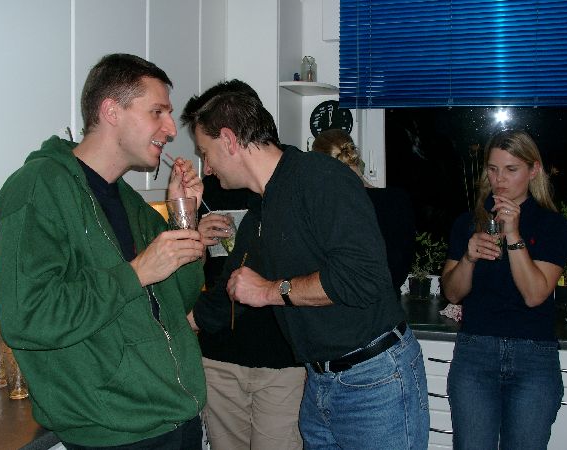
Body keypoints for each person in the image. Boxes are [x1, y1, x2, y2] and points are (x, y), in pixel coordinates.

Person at [183, 88, 429, 450]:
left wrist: (269, 291)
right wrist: (172, 329)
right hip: (319, 383)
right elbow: (225, 296)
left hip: (375, 380)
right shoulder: (263, 209)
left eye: (205, 153)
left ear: (229, 140)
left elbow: (361, 277)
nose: (206, 167)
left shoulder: (319, 177)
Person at [0, 53, 207, 449]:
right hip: (114, 433)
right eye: (157, 112)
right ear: (111, 111)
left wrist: (184, 214)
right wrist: (136, 273)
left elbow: (181, 296)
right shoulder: (38, 188)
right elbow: (28, 317)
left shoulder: (130, 202)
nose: (170, 129)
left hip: (176, 418)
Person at [182, 79, 305, 450]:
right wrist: (192, 229)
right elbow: (190, 273)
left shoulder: (286, 187)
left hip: (280, 359)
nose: (207, 166)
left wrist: (189, 322)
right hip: (219, 357)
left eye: (208, 150)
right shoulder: (209, 187)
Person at [441, 129, 567, 450]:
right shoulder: (468, 222)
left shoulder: (552, 225)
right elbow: (452, 293)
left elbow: (535, 295)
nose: (499, 179)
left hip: (534, 356)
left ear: (534, 170)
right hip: (475, 352)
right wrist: (469, 258)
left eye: (511, 169)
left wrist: (513, 235)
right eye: (493, 169)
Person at [311, 128, 415, 298]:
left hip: (350, 308)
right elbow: (400, 263)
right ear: (356, 158)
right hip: (390, 307)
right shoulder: (398, 199)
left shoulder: (336, 208)